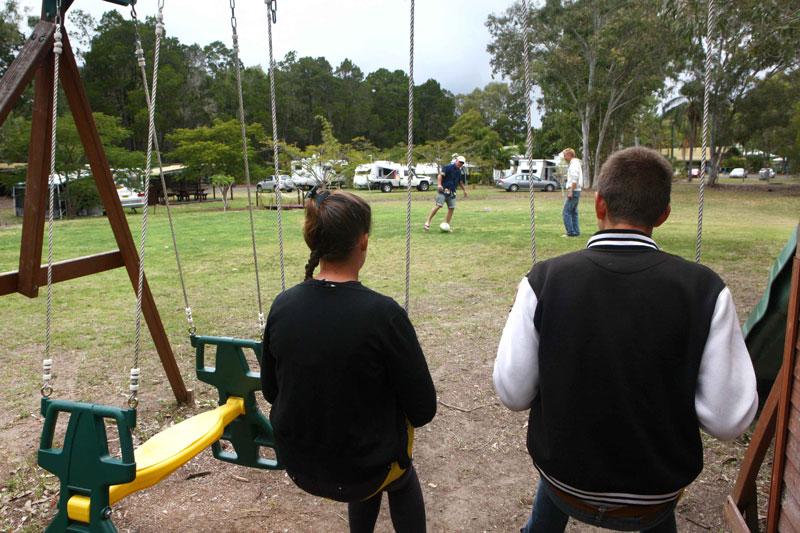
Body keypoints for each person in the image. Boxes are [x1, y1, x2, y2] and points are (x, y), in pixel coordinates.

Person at [493, 147, 757, 532]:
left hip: (564, 481)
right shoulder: (705, 290)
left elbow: (512, 393)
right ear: (663, 215)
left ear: (598, 204)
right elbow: (729, 419)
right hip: (654, 491)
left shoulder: (545, 280)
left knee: (552, 494)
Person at [261, 188, 437, 533]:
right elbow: (423, 409)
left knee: (364, 440)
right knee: (399, 477)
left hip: (300, 460)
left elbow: (270, 390)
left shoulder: (284, 304)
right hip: (362, 466)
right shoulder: (383, 315)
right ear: (363, 242)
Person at [424, 155, 468, 232]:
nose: (460, 164)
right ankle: (427, 222)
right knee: (438, 206)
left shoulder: (459, 171)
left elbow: (460, 182)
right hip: (443, 190)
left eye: (462, 163)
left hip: (452, 192)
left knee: (451, 208)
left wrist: (464, 190)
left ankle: (446, 225)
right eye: (459, 162)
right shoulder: (448, 167)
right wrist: (439, 184)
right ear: (456, 161)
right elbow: (440, 176)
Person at [561, 148, 582, 237]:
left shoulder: (574, 164)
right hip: (576, 190)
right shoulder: (576, 163)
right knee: (573, 212)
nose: (564, 157)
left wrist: (570, 191)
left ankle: (570, 232)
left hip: (573, 190)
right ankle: (576, 231)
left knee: (566, 212)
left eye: (565, 155)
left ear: (570, 155)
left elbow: (574, 178)